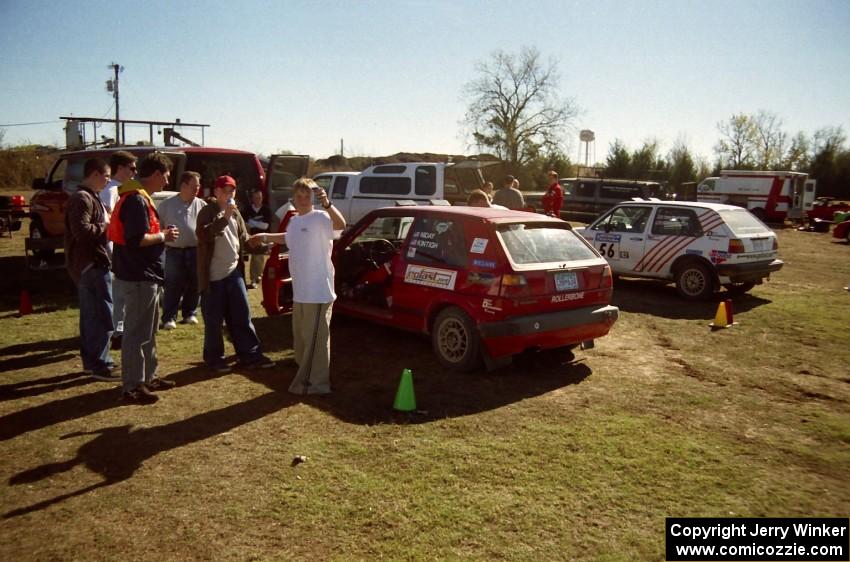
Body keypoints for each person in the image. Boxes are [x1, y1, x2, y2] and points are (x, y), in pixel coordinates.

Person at [250, 178, 345, 395]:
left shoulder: (321, 217)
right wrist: (263, 237)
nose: (303, 200)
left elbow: (340, 225)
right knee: (302, 339)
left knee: (315, 341)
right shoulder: (295, 220)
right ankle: (306, 374)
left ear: (313, 198)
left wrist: (328, 204)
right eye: (299, 196)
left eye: (307, 196)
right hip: (301, 292)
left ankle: (315, 384)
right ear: (293, 197)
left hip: (318, 292)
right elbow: (288, 236)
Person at [109, 152, 179, 404]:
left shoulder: (138, 197)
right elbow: (136, 239)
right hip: (138, 276)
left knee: (147, 331)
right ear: (157, 174)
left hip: (145, 275)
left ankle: (147, 377)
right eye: (167, 175)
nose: (168, 181)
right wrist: (163, 236)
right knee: (136, 333)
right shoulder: (136, 201)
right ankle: (131, 386)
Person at [196, 175, 275, 373]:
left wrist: (263, 248)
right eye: (224, 190)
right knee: (214, 321)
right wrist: (225, 218)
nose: (228, 194)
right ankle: (214, 359)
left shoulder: (236, 213)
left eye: (231, 191)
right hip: (213, 275)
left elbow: (243, 239)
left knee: (242, 316)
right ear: (216, 192)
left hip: (234, 272)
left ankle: (250, 355)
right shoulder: (207, 211)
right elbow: (204, 235)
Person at [64, 158, 117, 381]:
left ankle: (93, 361)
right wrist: (106, 226)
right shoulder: (81, 199)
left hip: (96, 263)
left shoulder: (92, 197)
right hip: (90, 265)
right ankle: (99, 364)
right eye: (106, 176)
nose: (107, 181)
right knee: (100, 315)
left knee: (94, 315)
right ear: (94, 174)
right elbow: (81, 232)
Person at [156, 171, 206, 329]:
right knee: (172, 285)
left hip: (195, 250)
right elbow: (158, 226)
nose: (197, 189)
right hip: (174, 251)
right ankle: (169, 317)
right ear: (183, 186)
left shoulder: (201, 205)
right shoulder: (167, 205)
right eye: (194, 186)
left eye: (198, 186)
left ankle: (190, 313)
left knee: (194, 283)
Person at [103, 150, 138, 349]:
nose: (134, 173)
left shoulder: (124, 189)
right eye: (131, 168)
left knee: (123, 295)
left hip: (123, 252)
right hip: (115, 252)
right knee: (118, 295)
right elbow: (108, 225)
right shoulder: (111, 191)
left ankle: (120, 330)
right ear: (120, 168)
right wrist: (111, 254)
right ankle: (117, 332)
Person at [242, 188, 272, 289]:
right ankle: (253, 278)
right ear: (252, 199)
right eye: (256, 198)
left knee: (257, 254)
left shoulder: (266, 210)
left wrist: (252, 222)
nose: (258, 200)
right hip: (249, 236)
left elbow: (265, 226)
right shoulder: (247, 210)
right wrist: (255, 224)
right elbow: (245, 225)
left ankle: (256, 277)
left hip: (262, 237)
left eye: (260, 198)